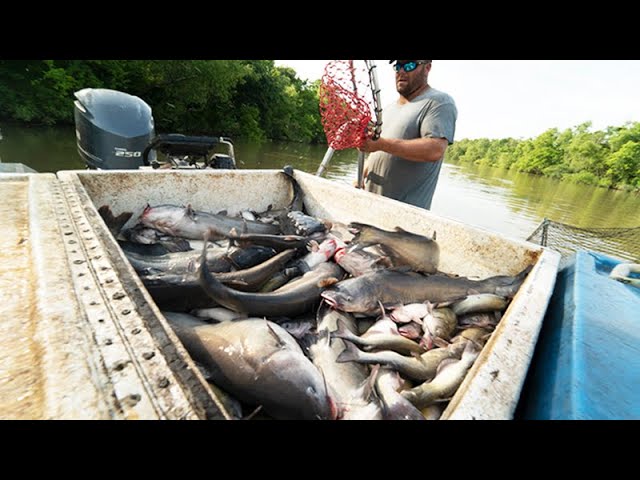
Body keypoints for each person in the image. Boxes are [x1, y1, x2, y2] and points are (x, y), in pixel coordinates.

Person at [358, 60, 457, 210]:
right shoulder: (388, 109)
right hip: (370, 206)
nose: (401, 71)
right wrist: (361, 177)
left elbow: (435, 149)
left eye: (409, 65)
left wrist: (381, 144)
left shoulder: (439, 102)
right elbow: (376, 153)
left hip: (405, 217)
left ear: (427, 67)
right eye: (398, 66)